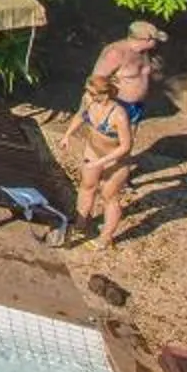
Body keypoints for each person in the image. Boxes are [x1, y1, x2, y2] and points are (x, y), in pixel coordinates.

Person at [57, 70, 138, 248]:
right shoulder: (88, 101)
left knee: (109, 196)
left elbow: (125, 146)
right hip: (92, 152)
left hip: (115, 160)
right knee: (87, 187)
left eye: (93, 93)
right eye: (87, 91)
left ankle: (106, 237)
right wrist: (67, 135)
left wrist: (101, 163)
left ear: (106, 93)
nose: (88, 95)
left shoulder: (119, 114)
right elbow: (80, 116)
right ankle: (80, 223)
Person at [91, 19, 169, 127]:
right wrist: (105, 106)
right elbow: (96, 80)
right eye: (155, 40)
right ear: (146, 40)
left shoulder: (144, 51)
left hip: (137, 106)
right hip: (117, 107)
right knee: (111, 140)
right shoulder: (115, 53)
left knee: (129, 139)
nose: (157, 43)